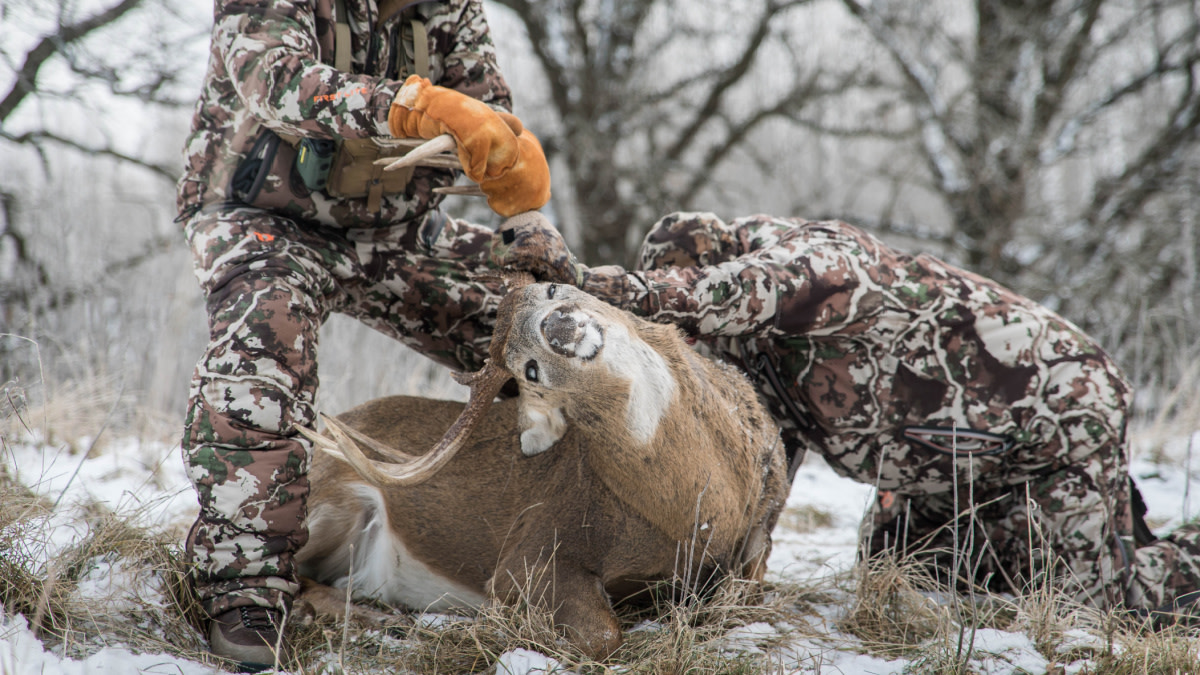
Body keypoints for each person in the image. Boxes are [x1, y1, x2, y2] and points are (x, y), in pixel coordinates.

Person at [492, 210, 1200, 623]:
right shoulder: (763, 362)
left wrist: (583, 286)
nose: (700, 348)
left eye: (695, 298)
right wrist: (714, 594)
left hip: (1059, 416)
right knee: (904, 590)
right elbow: (757, 475)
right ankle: (1067, 539)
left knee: (1096, 609)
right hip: (943, 471)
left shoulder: (820, 263)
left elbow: (721, 295)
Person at [175, 0, 549, 668]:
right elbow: (274, 78)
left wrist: (523, 210)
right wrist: (413, 107)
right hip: (262, 216)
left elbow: (486, 111)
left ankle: (586, 549)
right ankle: (246, 585)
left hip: (394, 233)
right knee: (266, 338)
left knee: (547, 328)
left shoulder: (451, 9)